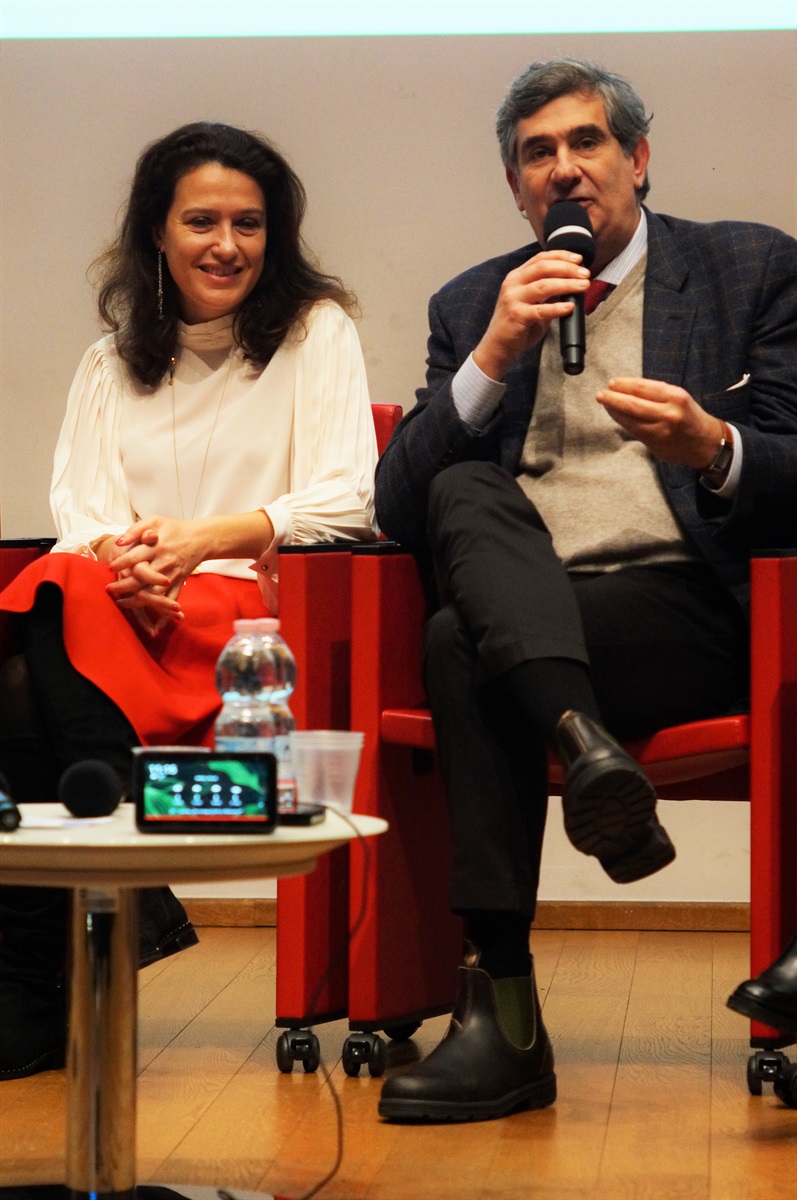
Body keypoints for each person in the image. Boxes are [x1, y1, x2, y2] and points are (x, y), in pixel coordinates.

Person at [374, 58, 797, 1123]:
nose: (562, 169)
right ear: (515, 189)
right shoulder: (473, 302)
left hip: (684, 607)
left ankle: (503, 1021)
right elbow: (398, 507)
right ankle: (582, 741)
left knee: (459, 646)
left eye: (585, 142)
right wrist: (490, 356)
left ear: (636, 160)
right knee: (460, 505)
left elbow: (794, 464)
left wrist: (713, 445)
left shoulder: (747, 267)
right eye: (536, 154)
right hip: (531, 604)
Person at [0, 121, 378, 1080]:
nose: (226, 244)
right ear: (157, 234)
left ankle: (31, 985)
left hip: (255, 622)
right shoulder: (110, 360)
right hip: (128, 610)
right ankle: (64, 956)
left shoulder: (314, 333)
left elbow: (348, 500)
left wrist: (201, 542)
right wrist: (133, 566)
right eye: (201, 221)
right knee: (53, 597)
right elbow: (82, 518)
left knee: (32, 637)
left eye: (248, 223)